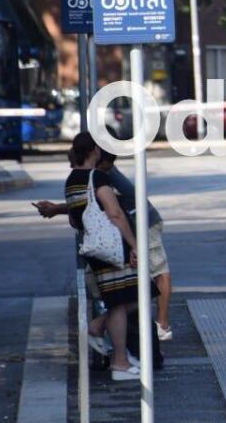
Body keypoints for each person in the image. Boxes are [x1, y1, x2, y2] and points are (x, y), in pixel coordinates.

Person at [36, 150, 173, 339]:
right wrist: (57, 209)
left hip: (144, 224)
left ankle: (161, 325)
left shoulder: (103, 174)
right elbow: (93, 203)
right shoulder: (94, 172)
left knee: (156, 272)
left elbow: (108, 208)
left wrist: (134, 245)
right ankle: (114, 325)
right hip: (123, 230)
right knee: (125, 287)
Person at [41, 133, 141, 380]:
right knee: (123, 301)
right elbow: (115, 213)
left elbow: (76, 218)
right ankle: (119, 362)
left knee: (125, 300)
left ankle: (105, 337)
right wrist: (134, 244)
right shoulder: (97, 178)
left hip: (95, 248)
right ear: (94, 150)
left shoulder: (72, 181)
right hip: (112, 247)